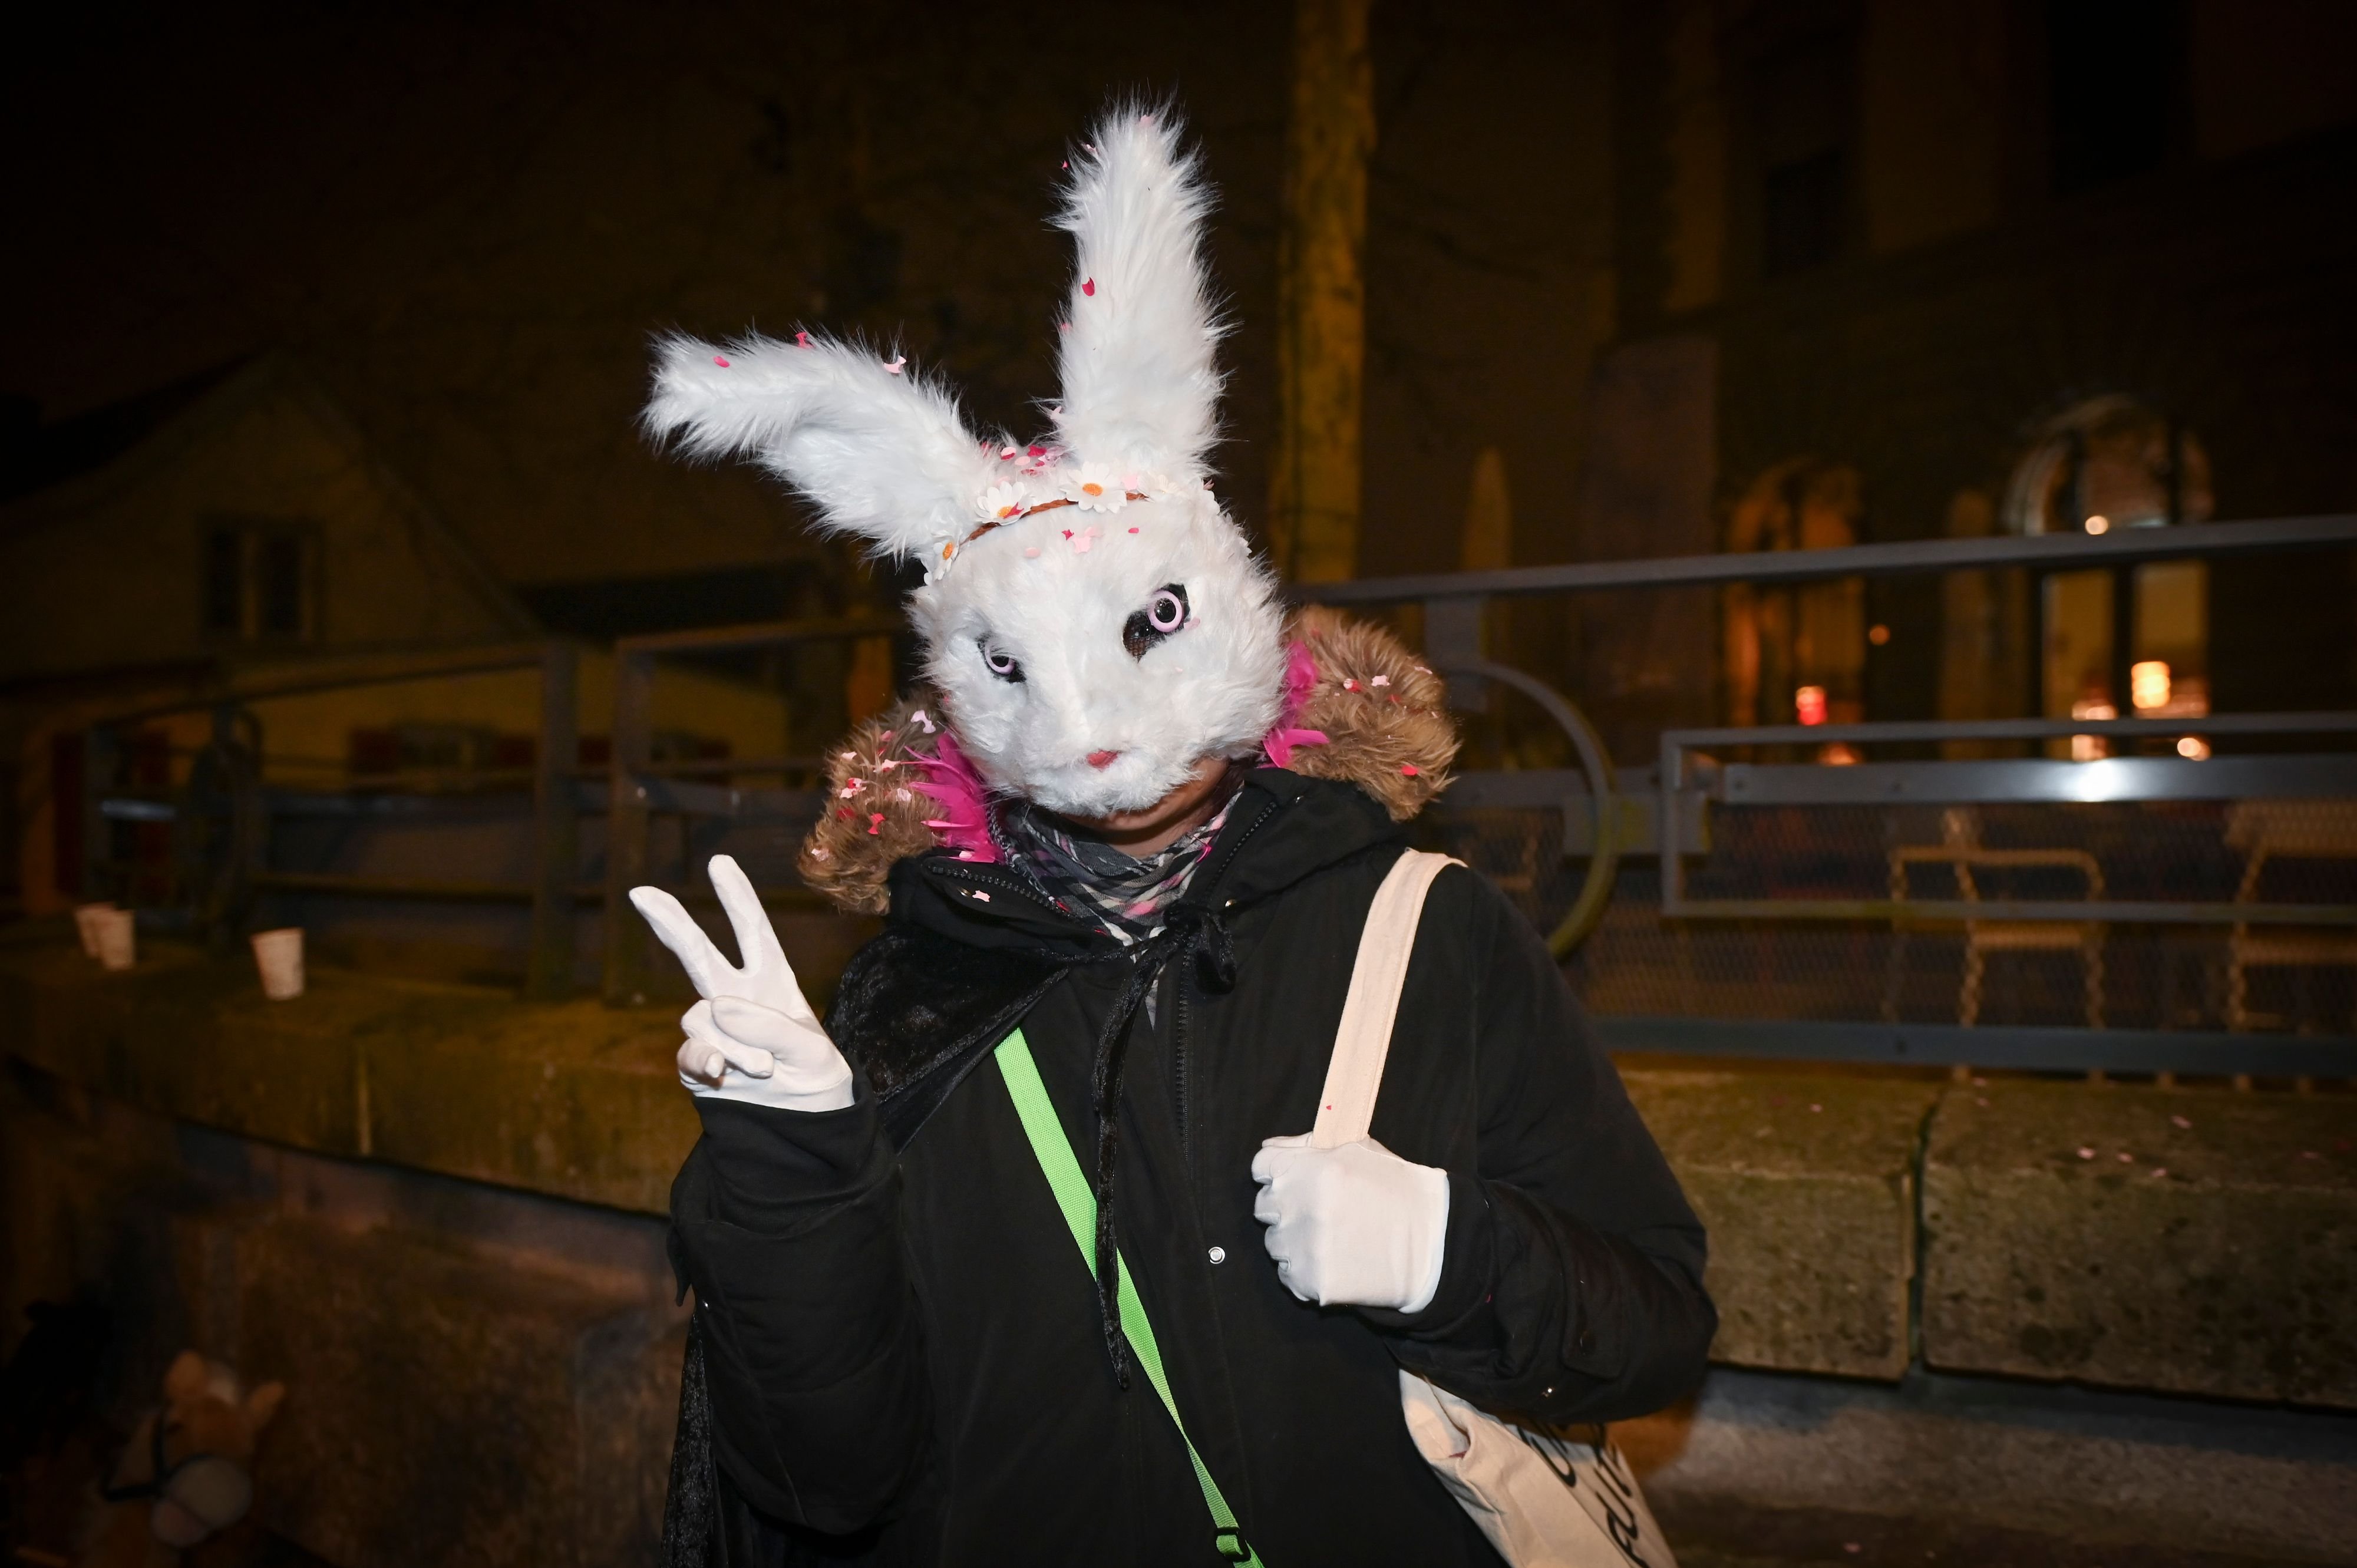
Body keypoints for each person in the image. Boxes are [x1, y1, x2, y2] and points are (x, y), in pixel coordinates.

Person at [635, 104, 1714, 1567]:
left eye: (1143, 626)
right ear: (958, 677)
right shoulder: (908, 1003)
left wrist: (1449, 1252)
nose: (1093, 728)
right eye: (1020, 667)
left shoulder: (1427, 931)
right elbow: (828, 1477)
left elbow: (1649, 1325)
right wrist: (786, 1175)